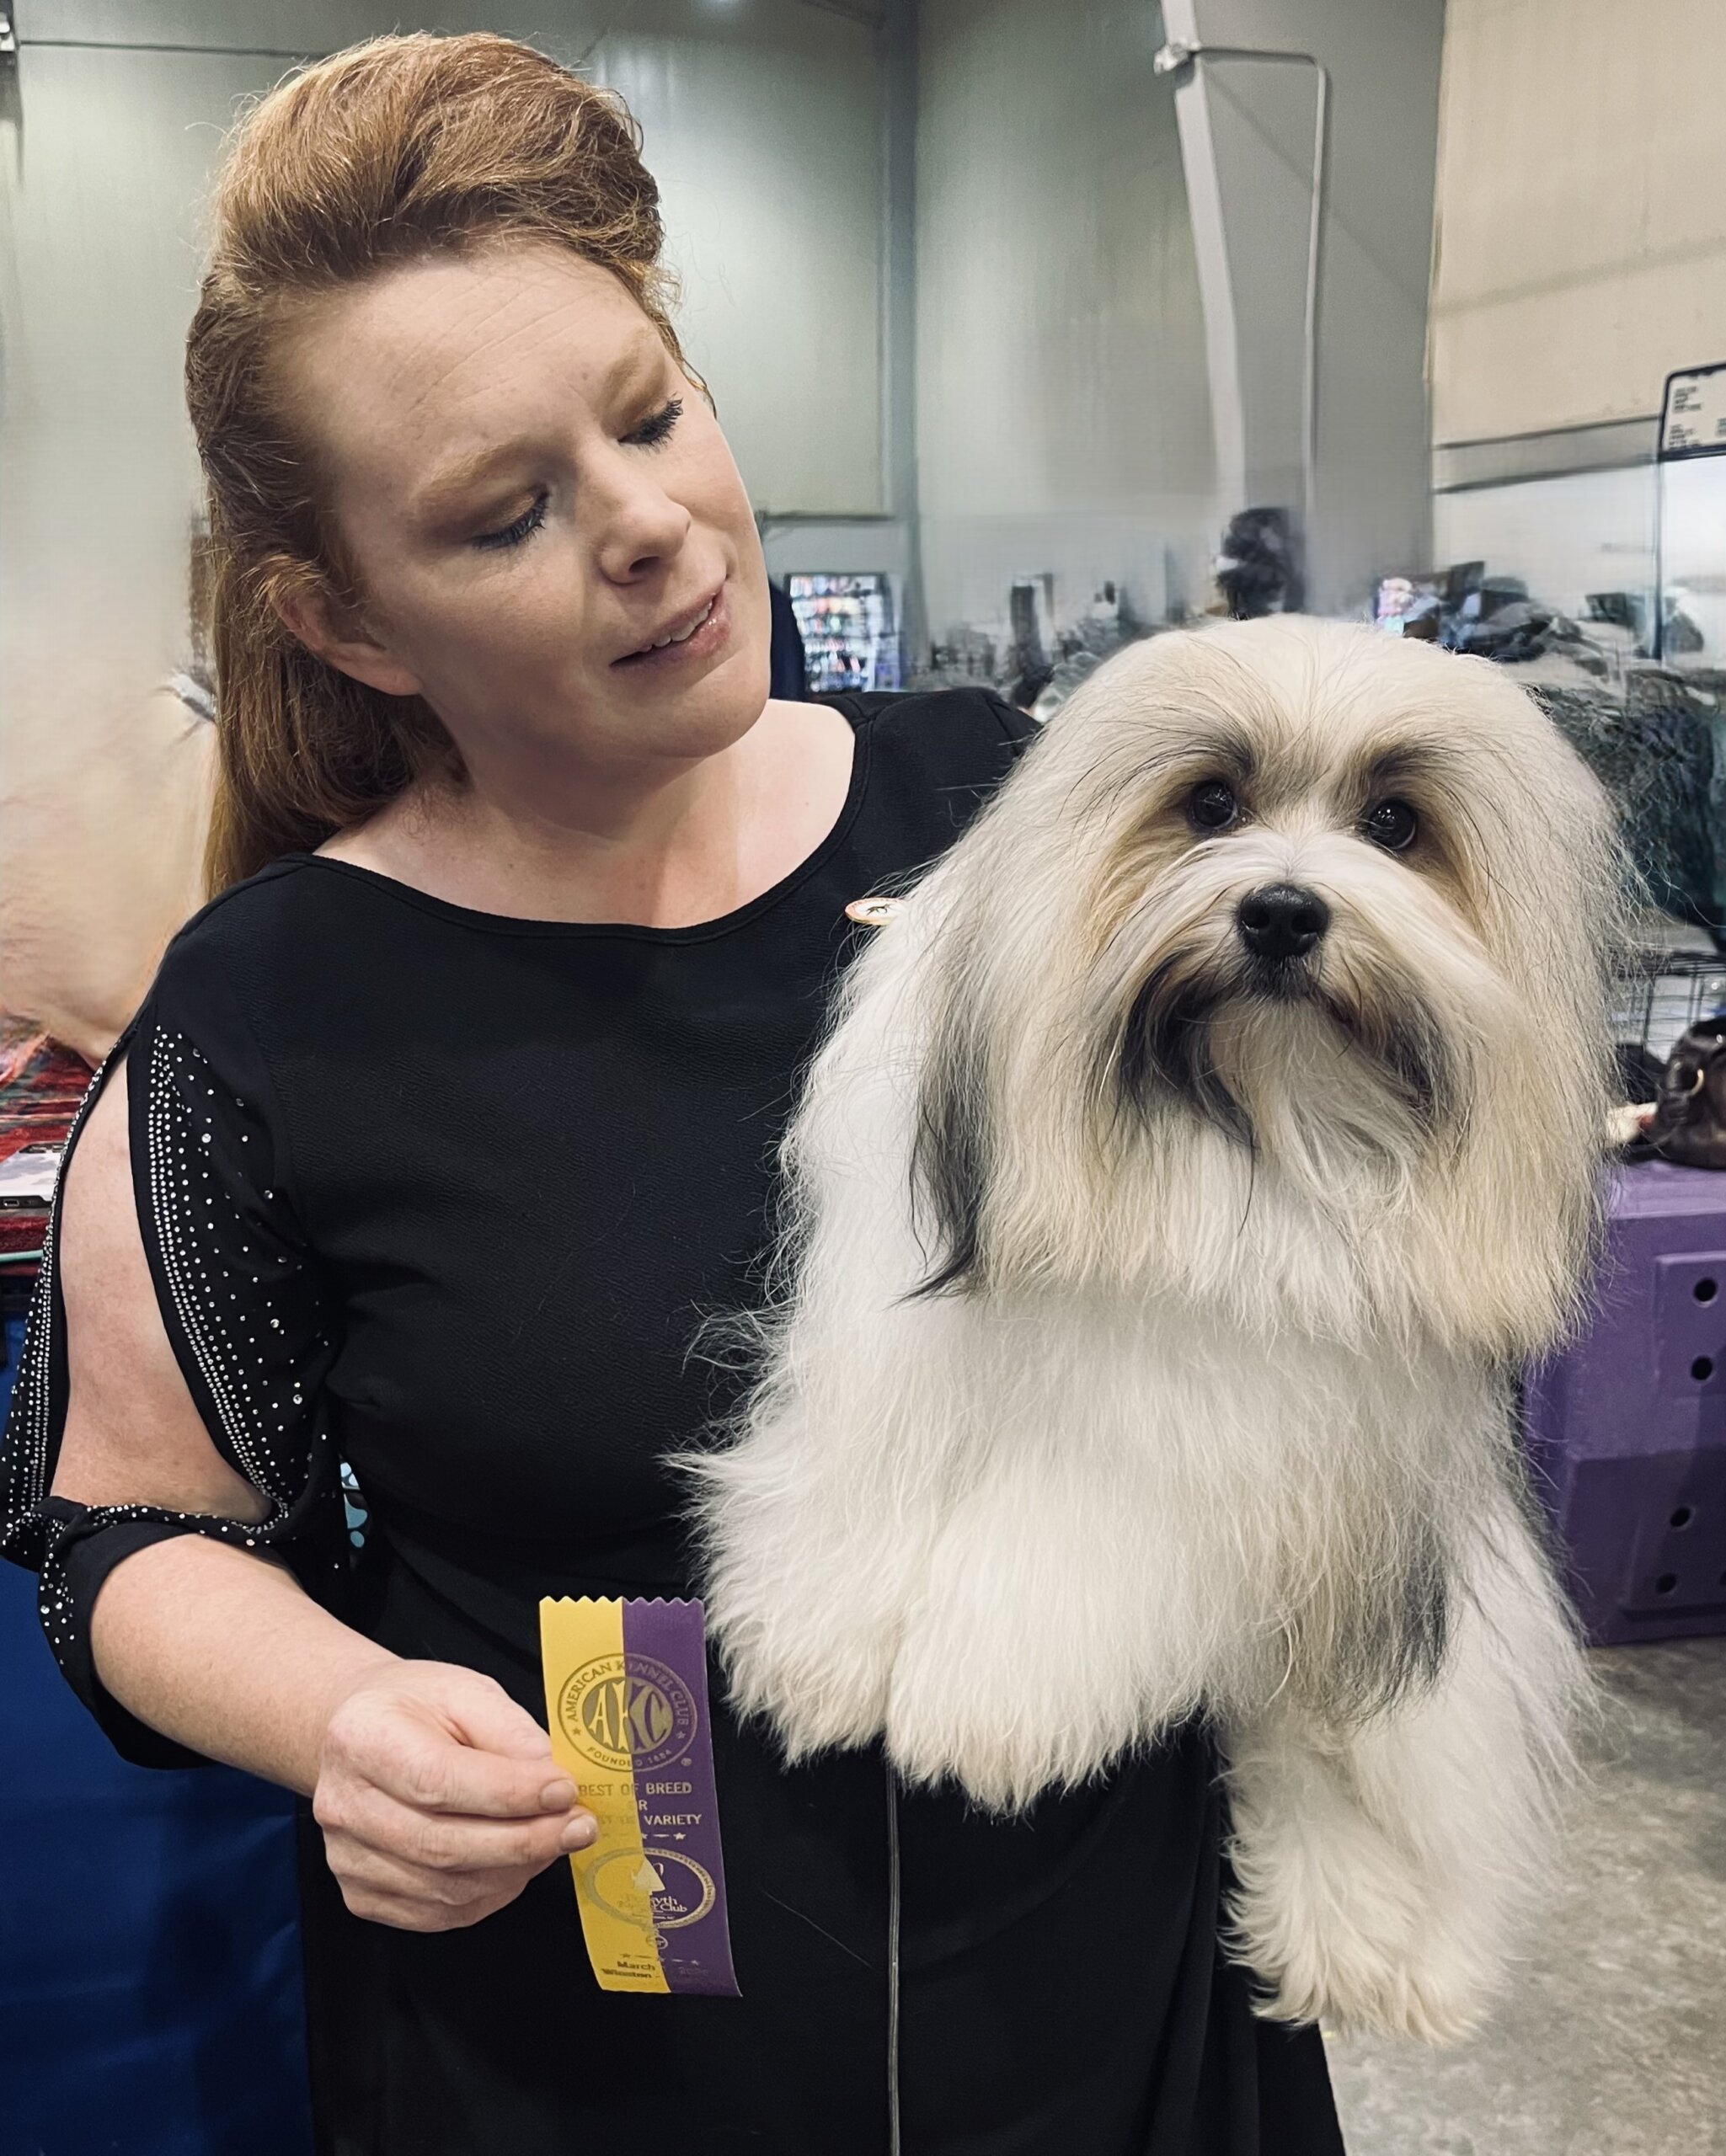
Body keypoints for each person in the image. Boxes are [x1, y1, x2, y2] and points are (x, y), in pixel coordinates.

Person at [0, 34, 1344, 2155]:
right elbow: (126, 1532)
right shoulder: (268, 1017)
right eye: (505, 511)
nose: (645, 526)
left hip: (1112, 1981)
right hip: (590, 2032)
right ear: (343, 621)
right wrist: (345, 1714)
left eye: (651, 413)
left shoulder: (1025, 819)